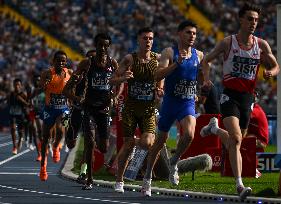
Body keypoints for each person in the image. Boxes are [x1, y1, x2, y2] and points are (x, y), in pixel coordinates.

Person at [200, 3, 279, 200]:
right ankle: (239, 185)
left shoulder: (261, 45)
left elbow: (277, 65)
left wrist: (271, 71)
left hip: (248, 99)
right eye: (250, 19)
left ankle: (215, 129)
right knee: (235, 139)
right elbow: (206, 60)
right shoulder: (228, 43)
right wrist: (207, 79)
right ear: (241, 20)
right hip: (229, 95)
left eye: (256, 20)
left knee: (237, 141)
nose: (253, 23)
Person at [142, 20, 204, 196]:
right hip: (170, 103)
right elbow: (157, 74)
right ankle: (147, 179)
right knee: (159, 142)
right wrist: (176, 63)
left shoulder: (199, 55)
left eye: (194, 33)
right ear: (179, 34)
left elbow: (199, 75)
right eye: (188, 33)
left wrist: (199, 87)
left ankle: (174, 162)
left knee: (190, 134)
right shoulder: (169, 52)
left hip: (187, 102)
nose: (192, 36)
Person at [109, 27, 162, 194]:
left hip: (148, 109)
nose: (148, 41)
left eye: (150, 38)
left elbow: (163, 75)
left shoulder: (158, 59)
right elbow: (112, 80)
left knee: (146, 143)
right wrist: (123, 78)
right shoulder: (129, 59)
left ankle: (146, 181)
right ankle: (119, 181)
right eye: (145, 38)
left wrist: (160, 88)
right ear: (138, 40)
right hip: (130, 109)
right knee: (128, 144)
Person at [63, 33, 118, 190]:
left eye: (106, 45)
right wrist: (77, 98)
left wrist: (115, 96)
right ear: (95, 45)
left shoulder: (113, 64)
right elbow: (66, 90)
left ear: (109, 47)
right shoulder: (87, 64)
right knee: (89, 142)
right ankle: (89, 179)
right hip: (88, 107)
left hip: (104, 109)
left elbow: (119, 82)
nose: (102, 48)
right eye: (100, 45)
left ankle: (89, 171)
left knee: (104, 147)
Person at [39, 50, 72, 181]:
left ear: (66, 62)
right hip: (49, 109)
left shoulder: (69, 73)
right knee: (45, 137)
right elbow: (41, 86)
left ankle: (56, 146)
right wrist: (45, 84)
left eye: (63, 61)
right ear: (54, 62)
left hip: (63, 108)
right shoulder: (47, 73)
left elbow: (74, 85)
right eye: (58, 60)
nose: (61, 63)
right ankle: (43, 168)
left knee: (60, 130)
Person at [64, 49, 96, 184]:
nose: (90, 62)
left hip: (92, 113)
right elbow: (66, 91)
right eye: (88, 59)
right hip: (77, 110)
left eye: (93, 59)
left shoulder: (101, 76)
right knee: (71, 143)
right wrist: (76, 98)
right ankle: (69, 131)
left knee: (90, 143)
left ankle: (83, 173)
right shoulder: (78, 75)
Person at [8, 78, 30, 154]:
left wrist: (21, 100)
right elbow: (8, 103)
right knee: (13, 128)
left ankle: (21, 139)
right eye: (15, 85)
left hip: (21, 114)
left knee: (20, 132)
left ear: (21, 86)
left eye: (18, 85)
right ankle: (14, 146)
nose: (17, 86)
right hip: (12, 114)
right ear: (13, 85)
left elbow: (28, 105)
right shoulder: (11, 94)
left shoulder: (23, 94)